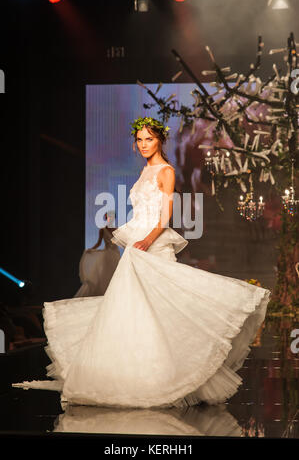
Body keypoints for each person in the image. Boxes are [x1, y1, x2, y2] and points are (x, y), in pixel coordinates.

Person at [13, 116, 271, 409]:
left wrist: (148, 240)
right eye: (139, 139)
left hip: (152, 244)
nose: (144, 144)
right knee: (131, 309)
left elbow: (165, 216)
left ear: (160, 139)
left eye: (149, 138)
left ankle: (164, 377)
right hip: (137, 245)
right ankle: (132, 374)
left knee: (161, 310)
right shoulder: (145, 170)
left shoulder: (166, 171)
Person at [74, 211, 120, 298]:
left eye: (111, 217)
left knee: (115, 273)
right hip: (107, 254)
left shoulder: (117, 229)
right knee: (105, 273)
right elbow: (99, 243)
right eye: (108, 217)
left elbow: (121, 242)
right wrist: (91, 249)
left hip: (115, 254)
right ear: (106, 218)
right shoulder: (102, 230)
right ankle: (105, 294)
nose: (109, 219)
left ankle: (114, 294)